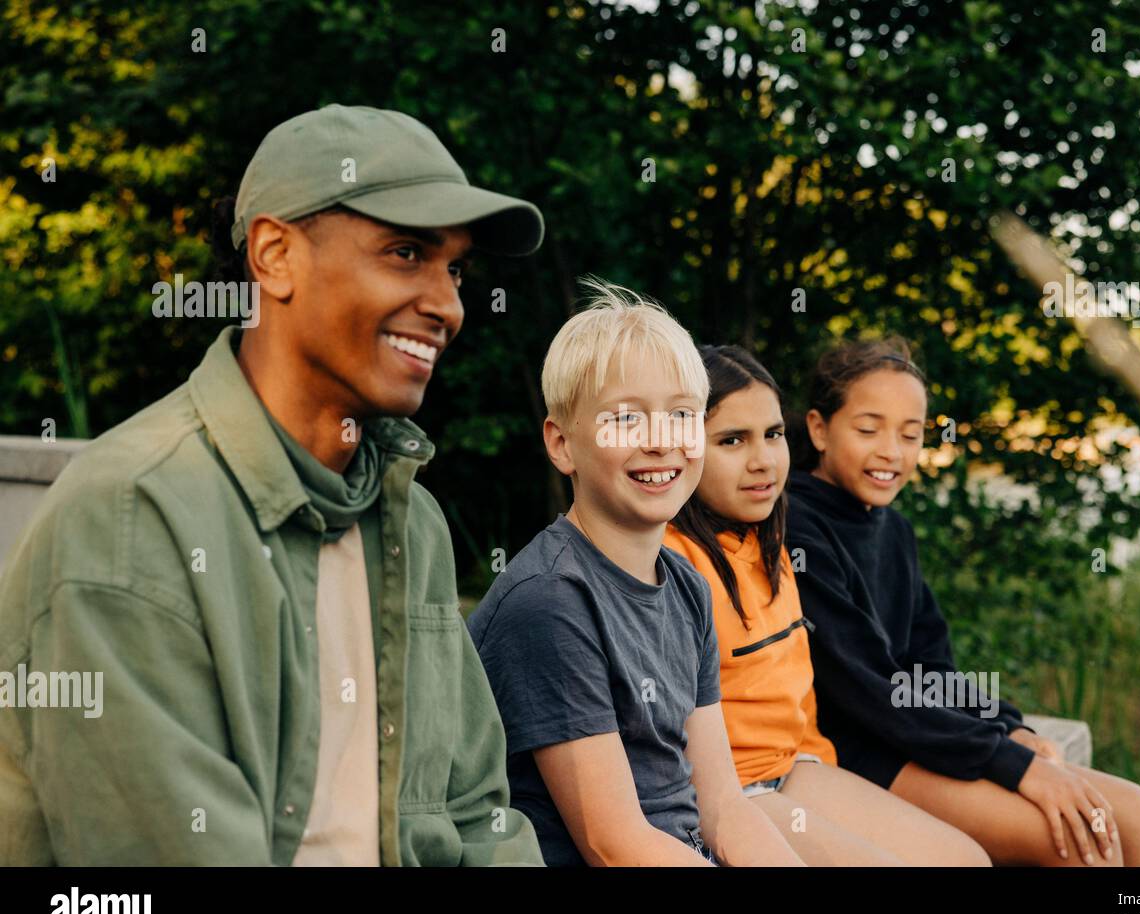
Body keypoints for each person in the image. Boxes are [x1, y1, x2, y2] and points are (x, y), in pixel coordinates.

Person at [0, 104, 545, 865]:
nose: (448, 305)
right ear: (275, 255)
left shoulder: (410, 521)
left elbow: (479, 818)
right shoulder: (132, 516)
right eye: (404, 253)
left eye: (454, 269)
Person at [785, 336, 1140, 866]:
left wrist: (1011, 728)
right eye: (868, 429)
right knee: (1081, 840)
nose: (891, 451)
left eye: (910, 433)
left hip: (919, 733)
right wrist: (1011, 763)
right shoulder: (797, 527)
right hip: (858, 750)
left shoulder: (892, 530)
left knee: (1135, 812)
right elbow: (872, 689)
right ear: (820, 429)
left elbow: (931, 667)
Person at [468, 281, 803, 866]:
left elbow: (723, 806)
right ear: (562, 444)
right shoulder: (550, 599)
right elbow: (613, 843)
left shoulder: (687, 587)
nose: (660, 441)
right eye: (625, 420)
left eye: (680, 415)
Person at [663, 344, 989, 865]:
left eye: (772, 435)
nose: (762, 460)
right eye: (731, 440)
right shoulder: (673, 560)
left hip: (798, 767)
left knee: (966, 860)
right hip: (728, 792)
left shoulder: (772, 541)